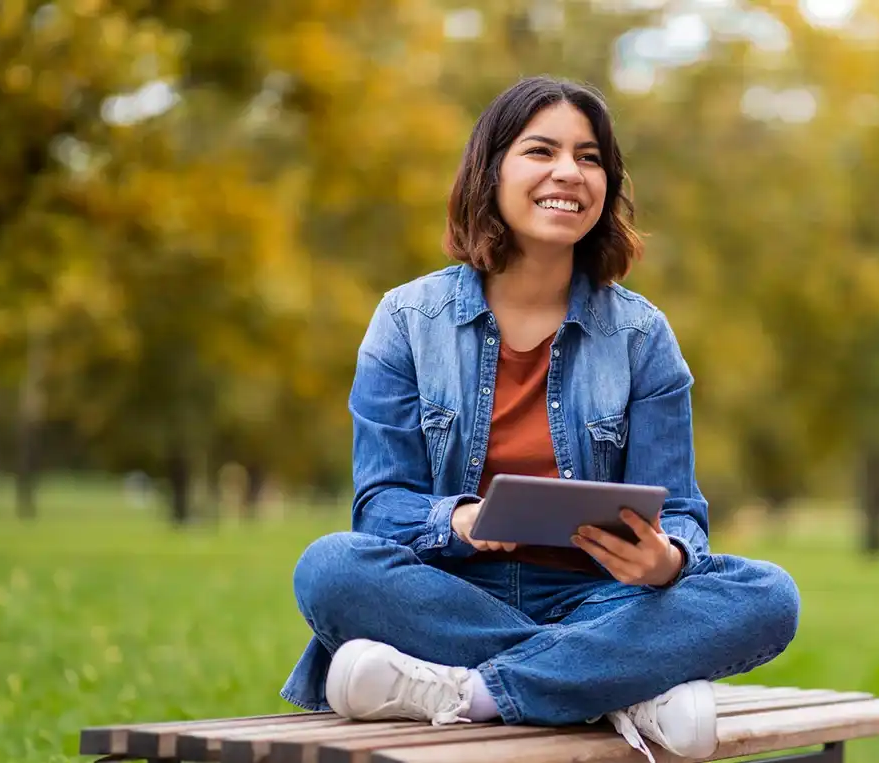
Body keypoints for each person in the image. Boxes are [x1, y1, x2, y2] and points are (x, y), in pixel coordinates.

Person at [281, 76, 800, 761]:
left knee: (769, 595)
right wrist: (459, 521)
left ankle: (470, 692)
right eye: (541, 150)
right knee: (330, 567)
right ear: (490, 171)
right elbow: (379, 510)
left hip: (604, 602)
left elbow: (678, 511)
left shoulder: (643, 337)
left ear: (607, 186)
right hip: (451, 594)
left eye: (590, 158)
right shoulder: (407, 322)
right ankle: (622, 688)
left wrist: (666, 560)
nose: (569, 173)